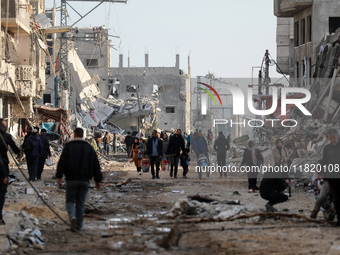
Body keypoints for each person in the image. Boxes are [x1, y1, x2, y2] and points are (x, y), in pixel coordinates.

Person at [56, 128, 102, 232]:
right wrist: (98, 180)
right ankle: (79, 227)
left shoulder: (68, 146)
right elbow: (96, 165)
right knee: (81, 203)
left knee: (69, 201)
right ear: (82, 135)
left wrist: (59, 177)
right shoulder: (89, 148)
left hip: (71, 179)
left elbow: (61, 163)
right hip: (85, 180)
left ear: (74, 134)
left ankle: (72, 216)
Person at [0, 119, 20, 225]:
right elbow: (16, 149)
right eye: (6, 124)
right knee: (1, 193)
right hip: (2, 167)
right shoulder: (7, 136)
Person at [319, 128, 340, 226]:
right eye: (331, 138)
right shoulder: (327, 148)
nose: (333, 140)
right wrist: (321, 172)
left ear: (338, 136)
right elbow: (324, 161)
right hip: (331, 176)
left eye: (334, 138)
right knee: (336, 198)